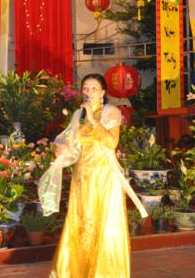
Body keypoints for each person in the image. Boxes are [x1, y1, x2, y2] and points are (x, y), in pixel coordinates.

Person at [43, 73, 147, 278]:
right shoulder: (78, 114)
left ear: (103, 92)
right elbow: (74, 146)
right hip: (82, 176)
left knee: (103, 224)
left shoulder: (111, 112)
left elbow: (111, 143)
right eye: (85, 88)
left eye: (94, 88)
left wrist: (93, 120)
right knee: (80, 222)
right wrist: (63, 150)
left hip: (104, 176)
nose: (88, 92)